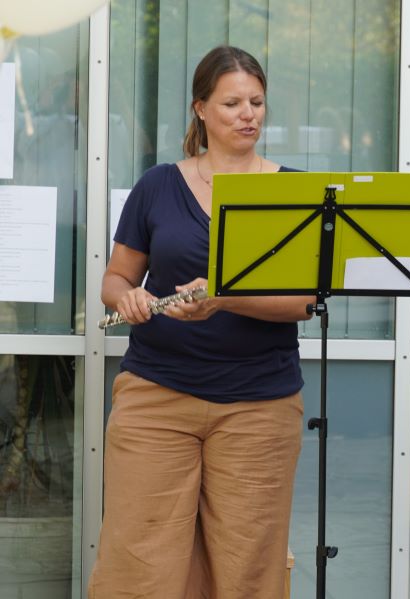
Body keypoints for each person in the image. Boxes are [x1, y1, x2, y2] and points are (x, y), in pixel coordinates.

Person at [89, 46, 314, 599]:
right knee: (140, 562)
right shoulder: (157, 184)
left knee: (248, 567)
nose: (248, 114)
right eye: (233, 102)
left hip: (259, 402)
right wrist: (133, 299)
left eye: (257, 102)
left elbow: (304, 301)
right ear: (200, 109)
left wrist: (224, 300)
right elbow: (114, 280)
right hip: (155, 395)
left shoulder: (292, 189)